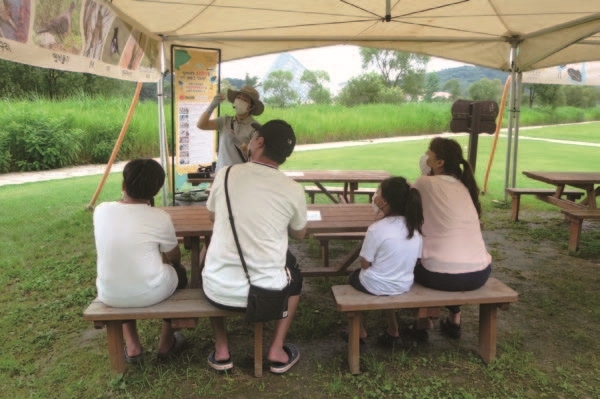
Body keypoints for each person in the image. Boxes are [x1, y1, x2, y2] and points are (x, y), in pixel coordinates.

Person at [202, 119, 307, 374]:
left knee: (207, 259)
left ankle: (222, 348)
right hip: (269, 292)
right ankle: (277, 348)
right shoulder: (293, 189)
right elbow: (300, 234)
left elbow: (213, 216)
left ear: (258, 142)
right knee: (297, 277)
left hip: (218, 289)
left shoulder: (226, 174)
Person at [93, 159, 188, 362]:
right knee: (179, 273)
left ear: (123, 186)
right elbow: (174, 256)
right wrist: (174, 265)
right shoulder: (159, 217)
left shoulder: (101, 210)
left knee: (124, 269)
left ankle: (133, 346)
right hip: (150, 293)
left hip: (110, 294)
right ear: (155, 191)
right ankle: (166, 344)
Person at [412, 137, 492, 339]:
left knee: (410, 259)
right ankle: (455, 316)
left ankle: (424, 320)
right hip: (480, 274)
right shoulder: (464, 187)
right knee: (448, 256)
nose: (425, 156)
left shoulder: (424, 183)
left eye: (429, 153)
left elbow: (409, 215)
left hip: (439, 276)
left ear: (439, 163)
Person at [345, 177, 424, 347]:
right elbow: (415, 260)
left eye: (378, 193)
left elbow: (364, 264)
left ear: (384, 201)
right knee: (385, 279)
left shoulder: (377, 228)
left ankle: (359, 329)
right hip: (403, 284)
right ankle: (393, 329)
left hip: (375, 284)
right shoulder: (414, 228)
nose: (376, 197)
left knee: (353, 278)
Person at [197, 85, 265, 172]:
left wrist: (241, 144)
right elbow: (201, 125)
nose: (240, 100)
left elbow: (257, 156)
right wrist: (212, 106)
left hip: (242, 176)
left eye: (244, 100)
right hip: (222, 174)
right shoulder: (225, 121)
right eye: (238, 97)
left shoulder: (255, 127)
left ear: (252, 106)